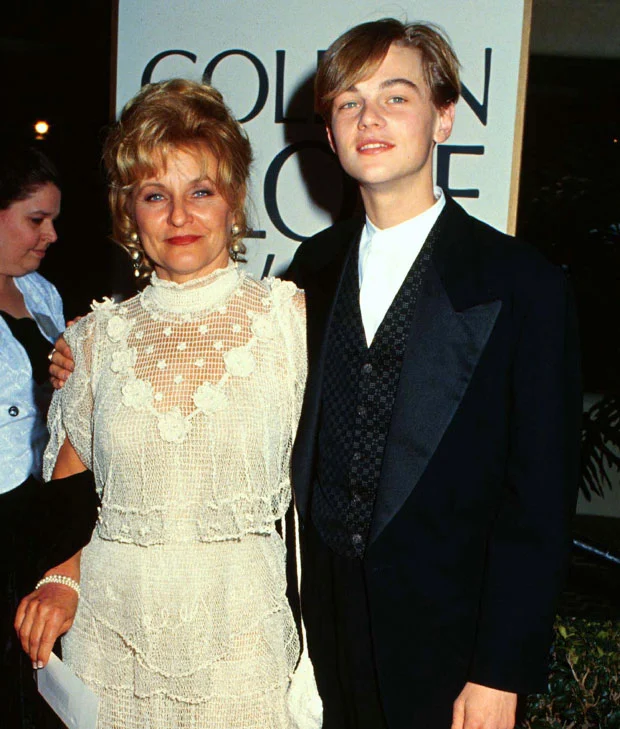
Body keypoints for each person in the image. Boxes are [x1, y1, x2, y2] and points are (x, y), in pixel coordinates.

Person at [285, 19, 581, 729]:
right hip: (317, 642)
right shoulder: (308, 273)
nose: (370, 118)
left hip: (448, 655)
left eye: (397, 96)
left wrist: (499, 671)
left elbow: (538, 499)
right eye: (349, 102)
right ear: (329, 133)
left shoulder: (523, 284)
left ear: (443, 118)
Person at [16, 79, 319, 729]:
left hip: (242, 639)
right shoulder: (93, 338)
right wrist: (60, 580)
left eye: (200, 191)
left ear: (234, 201)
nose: (179, 216)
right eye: (156, 195)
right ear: (129, 212)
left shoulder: (289, 321)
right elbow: (71, 478)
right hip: (113, 636)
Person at [0, 143, 98, 728]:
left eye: (54, 219)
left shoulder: (41, 293)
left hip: (42, 512)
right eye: (37, 219)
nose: (52, 235)